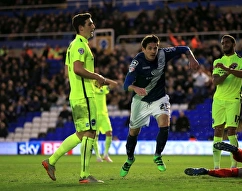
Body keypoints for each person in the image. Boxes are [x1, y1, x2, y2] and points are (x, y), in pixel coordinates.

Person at [41, 13, 108, 184]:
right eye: (90, 24)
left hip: (77, 95)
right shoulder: (79, 45)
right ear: (81, 28)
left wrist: (87, 81)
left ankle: (51, 161)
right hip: (85, 96)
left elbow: (67, 72)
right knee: (91, 133)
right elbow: (77, 69)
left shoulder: (72, 46)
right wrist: (97, 77)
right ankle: (84, 176)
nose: (93, 26)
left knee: (81, 134)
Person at [120, 34, 199, 177]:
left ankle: (157, 155)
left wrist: (191, 58)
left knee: (164, 123)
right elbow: (126, 85)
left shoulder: (163, 54)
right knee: (133, 132)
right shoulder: (137, 62)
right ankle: (130, 159)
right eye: (149, 48)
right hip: (140, 100)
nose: (153, 51)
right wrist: (135, 88)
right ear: (143, 49)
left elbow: (185, 48)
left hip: (159, 98)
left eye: (155, 48)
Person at [211, 35, 242, 169]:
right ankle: (216, 167)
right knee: (218, 131)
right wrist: (227, 72)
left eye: (227, 42)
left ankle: (234, 164)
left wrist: (228, 69)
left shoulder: (241, 60)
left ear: (234, 44)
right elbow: (216, 82)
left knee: (231, 131)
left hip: (233, 100)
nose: (224, 44)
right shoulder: (217, 62)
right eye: (222, 43)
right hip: (219, 100)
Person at [93, 78, 118, 163]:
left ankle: (106, 155)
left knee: (109, 133)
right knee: (95, 136)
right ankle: (98, 156)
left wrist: (104, 79)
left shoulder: (103, 89)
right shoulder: (91, 89)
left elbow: (115, 84)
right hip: (94, 115)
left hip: (104, 115)